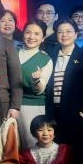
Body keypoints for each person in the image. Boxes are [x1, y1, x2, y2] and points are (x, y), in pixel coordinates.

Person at [45, 20, 83, 143]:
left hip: (75, 112)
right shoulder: (50, 55)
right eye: (60, 32)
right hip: (52, 111)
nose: (64, 35)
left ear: (76, 34)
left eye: (68, 31)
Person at [17, 21, 54, 149]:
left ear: (43, 38)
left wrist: (36, 81)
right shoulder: (13, 52)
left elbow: (39, 90)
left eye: (37, 34)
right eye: (28, 32)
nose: (31, 36)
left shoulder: (45, 59)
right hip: (10, 104)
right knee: (11, 145)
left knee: (31, 145)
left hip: (31, 107)